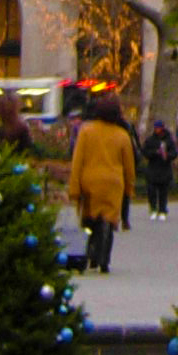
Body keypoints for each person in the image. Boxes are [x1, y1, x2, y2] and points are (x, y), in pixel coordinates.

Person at [67, 96, 136, 271]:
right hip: (113, 184)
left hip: (89, 181)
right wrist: (129, 189)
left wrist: (74, 187)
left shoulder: (86, 131)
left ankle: (89, 254)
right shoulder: (122, 136)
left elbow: (77, 161)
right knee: (109, 220)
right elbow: (129, 167)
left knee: (89, 220)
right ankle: (104, 260)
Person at [140, 118, 178, 221]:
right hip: (153, 168)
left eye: (159, 128)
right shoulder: (150, 140)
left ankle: (162, 210)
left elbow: (174, 152)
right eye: (156, 128)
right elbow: (144, 151)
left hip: (164, 168)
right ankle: (153, 209)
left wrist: (167, 156)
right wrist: (155, 153)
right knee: (151, 191)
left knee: (163, 191)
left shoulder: (169, 140)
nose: (157, 130)